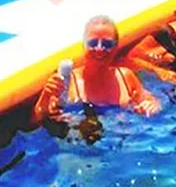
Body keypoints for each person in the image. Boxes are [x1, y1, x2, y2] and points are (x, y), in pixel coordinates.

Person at [33, 15, 161, 123]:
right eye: (93, 43)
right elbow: (37, 121)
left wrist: (152, 105)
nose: (99, 49)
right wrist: (45, 96)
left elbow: (149, 100)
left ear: (116, 48)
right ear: (83, 46)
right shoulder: (68, 82)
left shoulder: (125, 77)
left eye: (107, 44)